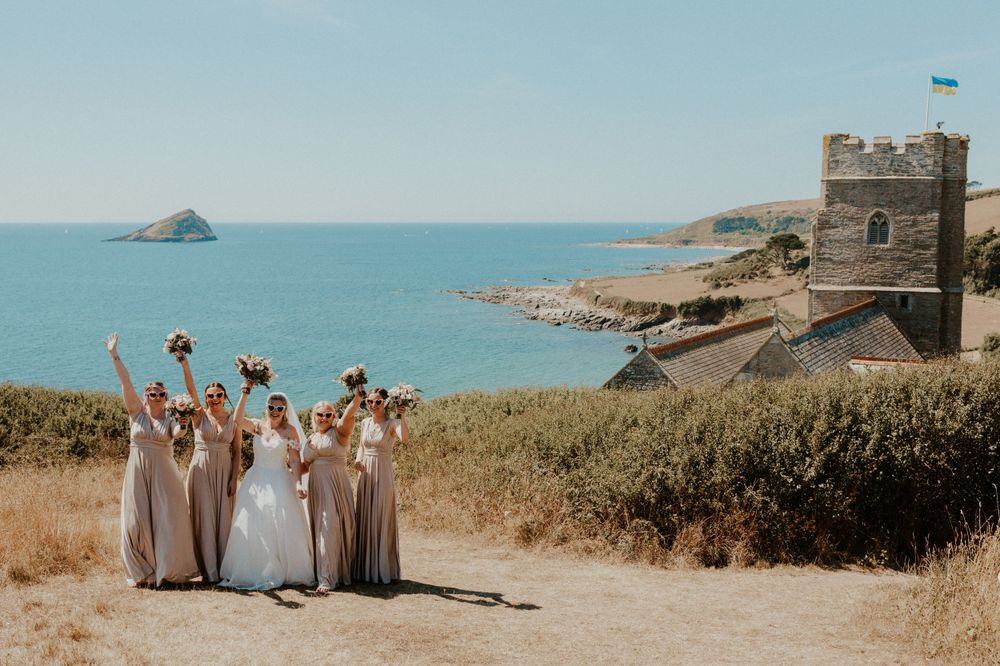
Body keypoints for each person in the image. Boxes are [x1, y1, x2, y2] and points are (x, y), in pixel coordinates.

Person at [103, 333, 198, 587]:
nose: (155, 397)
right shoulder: (136, 412)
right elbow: (125, 381)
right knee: (136, 519)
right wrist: (114, 354)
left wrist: (184, 423)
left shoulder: (170, 418)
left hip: (164, 472)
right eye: (151, 394)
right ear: (145, 396)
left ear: (167, 397)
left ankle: (165, 570)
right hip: (137, 469)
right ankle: (140, 570)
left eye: (160, 394)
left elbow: (177, 434)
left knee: (166, 519)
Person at [218, 390, 314, 590]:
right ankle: (258, 568)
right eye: (271, 407)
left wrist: (297, 483)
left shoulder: (290, 432)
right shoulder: (258, 426)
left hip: (280, 479)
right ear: (267, 408)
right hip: (256, 479)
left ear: (285, 410)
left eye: (279, 408)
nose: (275, 411)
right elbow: (237, 419)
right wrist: (244, 392)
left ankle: (284, 569)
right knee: (253, 522)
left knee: (278, 521)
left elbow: (295, 460)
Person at [175, 353, 248, 582]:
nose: (214, 398)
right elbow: (191, 388)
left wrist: (233, 478)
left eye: (218, 395)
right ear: (206, 398)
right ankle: (208, 572)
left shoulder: (234, 419)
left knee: (224, 519)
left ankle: (223, 569)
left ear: (225, 396)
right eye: (210, 396)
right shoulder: (198, 416)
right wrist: (185, 364)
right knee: (204, 518)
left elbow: (237, 451)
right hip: (202, 470)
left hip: (225, 470)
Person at [303, 389, 363, 593]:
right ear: (314, 416)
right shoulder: (310, 439)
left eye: (329, 414)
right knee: (320, 529)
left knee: (330, 528)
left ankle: (327, 579)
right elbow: (303, 466)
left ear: (334, 417)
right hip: (317, 488)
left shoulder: (339, 433)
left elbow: (349, 416)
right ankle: (325, 573)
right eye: (320, 414)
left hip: (336, 486)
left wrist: (357, 399)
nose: (324, 418)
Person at [353, 387, 409, 584]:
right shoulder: (364, 422)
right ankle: (363, 569)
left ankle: (382, 568)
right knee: (365, 516)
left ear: (385, 403)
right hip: (365, 475)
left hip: (383, 474)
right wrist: (357, 460)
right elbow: (361, 446)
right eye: (369, 401)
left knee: (381, 515)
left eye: (377, 402)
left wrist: (402, 417)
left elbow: (405, 439)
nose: (372, 405)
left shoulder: (392, 423)